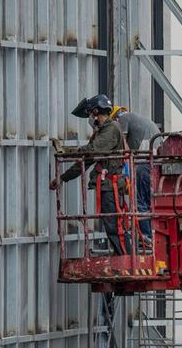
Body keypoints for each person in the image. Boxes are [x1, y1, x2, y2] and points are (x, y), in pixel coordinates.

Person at [50, 94, 129, 255]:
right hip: (106, 185)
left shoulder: (111, 128)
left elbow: (92, 151)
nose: (91, 119)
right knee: (111, 223)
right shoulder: (102, 132)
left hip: (111, 184)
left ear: (96, 111)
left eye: (91, 115)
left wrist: (69, 152)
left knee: (115, 224)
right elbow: (85, 162)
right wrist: (63, 178)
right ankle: (122, 256)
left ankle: (126, 258)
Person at [110, 106, 160, 241]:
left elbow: (122, 143)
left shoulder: (123, 118)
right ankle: (154, 235)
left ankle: (146, 237)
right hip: (156, 163)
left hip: (143, 163)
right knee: (150, 201)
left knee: (140, 201)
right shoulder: (139, 118)